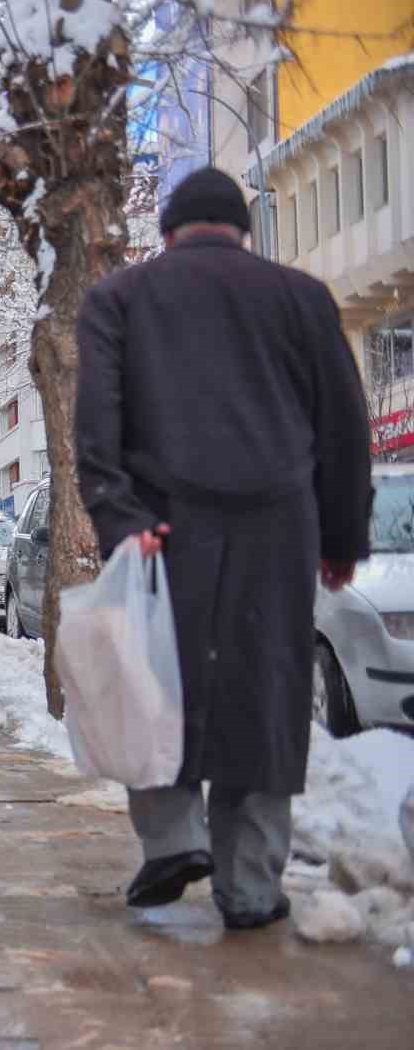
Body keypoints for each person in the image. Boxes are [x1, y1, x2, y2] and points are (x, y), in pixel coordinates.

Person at [75, 166, 374, 930]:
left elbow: (97, 426)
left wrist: (120, 517)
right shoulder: (303, 299)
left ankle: (173, 841)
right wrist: (341, 538)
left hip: (165, 530)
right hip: (279, 529)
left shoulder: (119, 300)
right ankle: (250, 888)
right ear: (241, 230)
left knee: (155, 683)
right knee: (263, 697)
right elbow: (344, 431)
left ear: (168, 231)